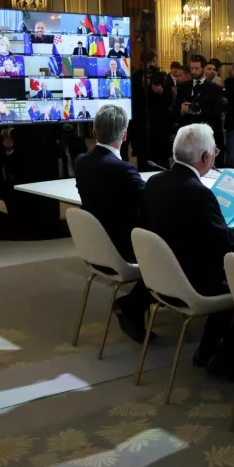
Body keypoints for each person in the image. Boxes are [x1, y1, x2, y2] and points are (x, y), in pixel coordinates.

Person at [144, 124, 234, 378]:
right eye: (215, 151)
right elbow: (224, 241)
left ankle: (208, 350)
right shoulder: (198, 193)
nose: (215, 155)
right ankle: (222, 355)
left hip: (163, 273)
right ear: (206, 157)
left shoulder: (155, 182)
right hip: (195, 280)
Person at [73, 105, 154, 342]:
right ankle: (134, 304)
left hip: (98, 244)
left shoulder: (82, 161)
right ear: (125, 135)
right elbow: (150, 203)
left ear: (94, 133)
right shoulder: (122, 169)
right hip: (124, 246)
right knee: (179, 244)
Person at [175, 55, 224, 153]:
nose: (193, 71)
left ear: (203, 68)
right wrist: (181, 110)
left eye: (196, 68)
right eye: (191, 68)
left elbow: (216, 112)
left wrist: (198, 111)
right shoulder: (182, 87)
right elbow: (174, 110)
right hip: (187, 135)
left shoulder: (215, 89)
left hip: (206, 134)